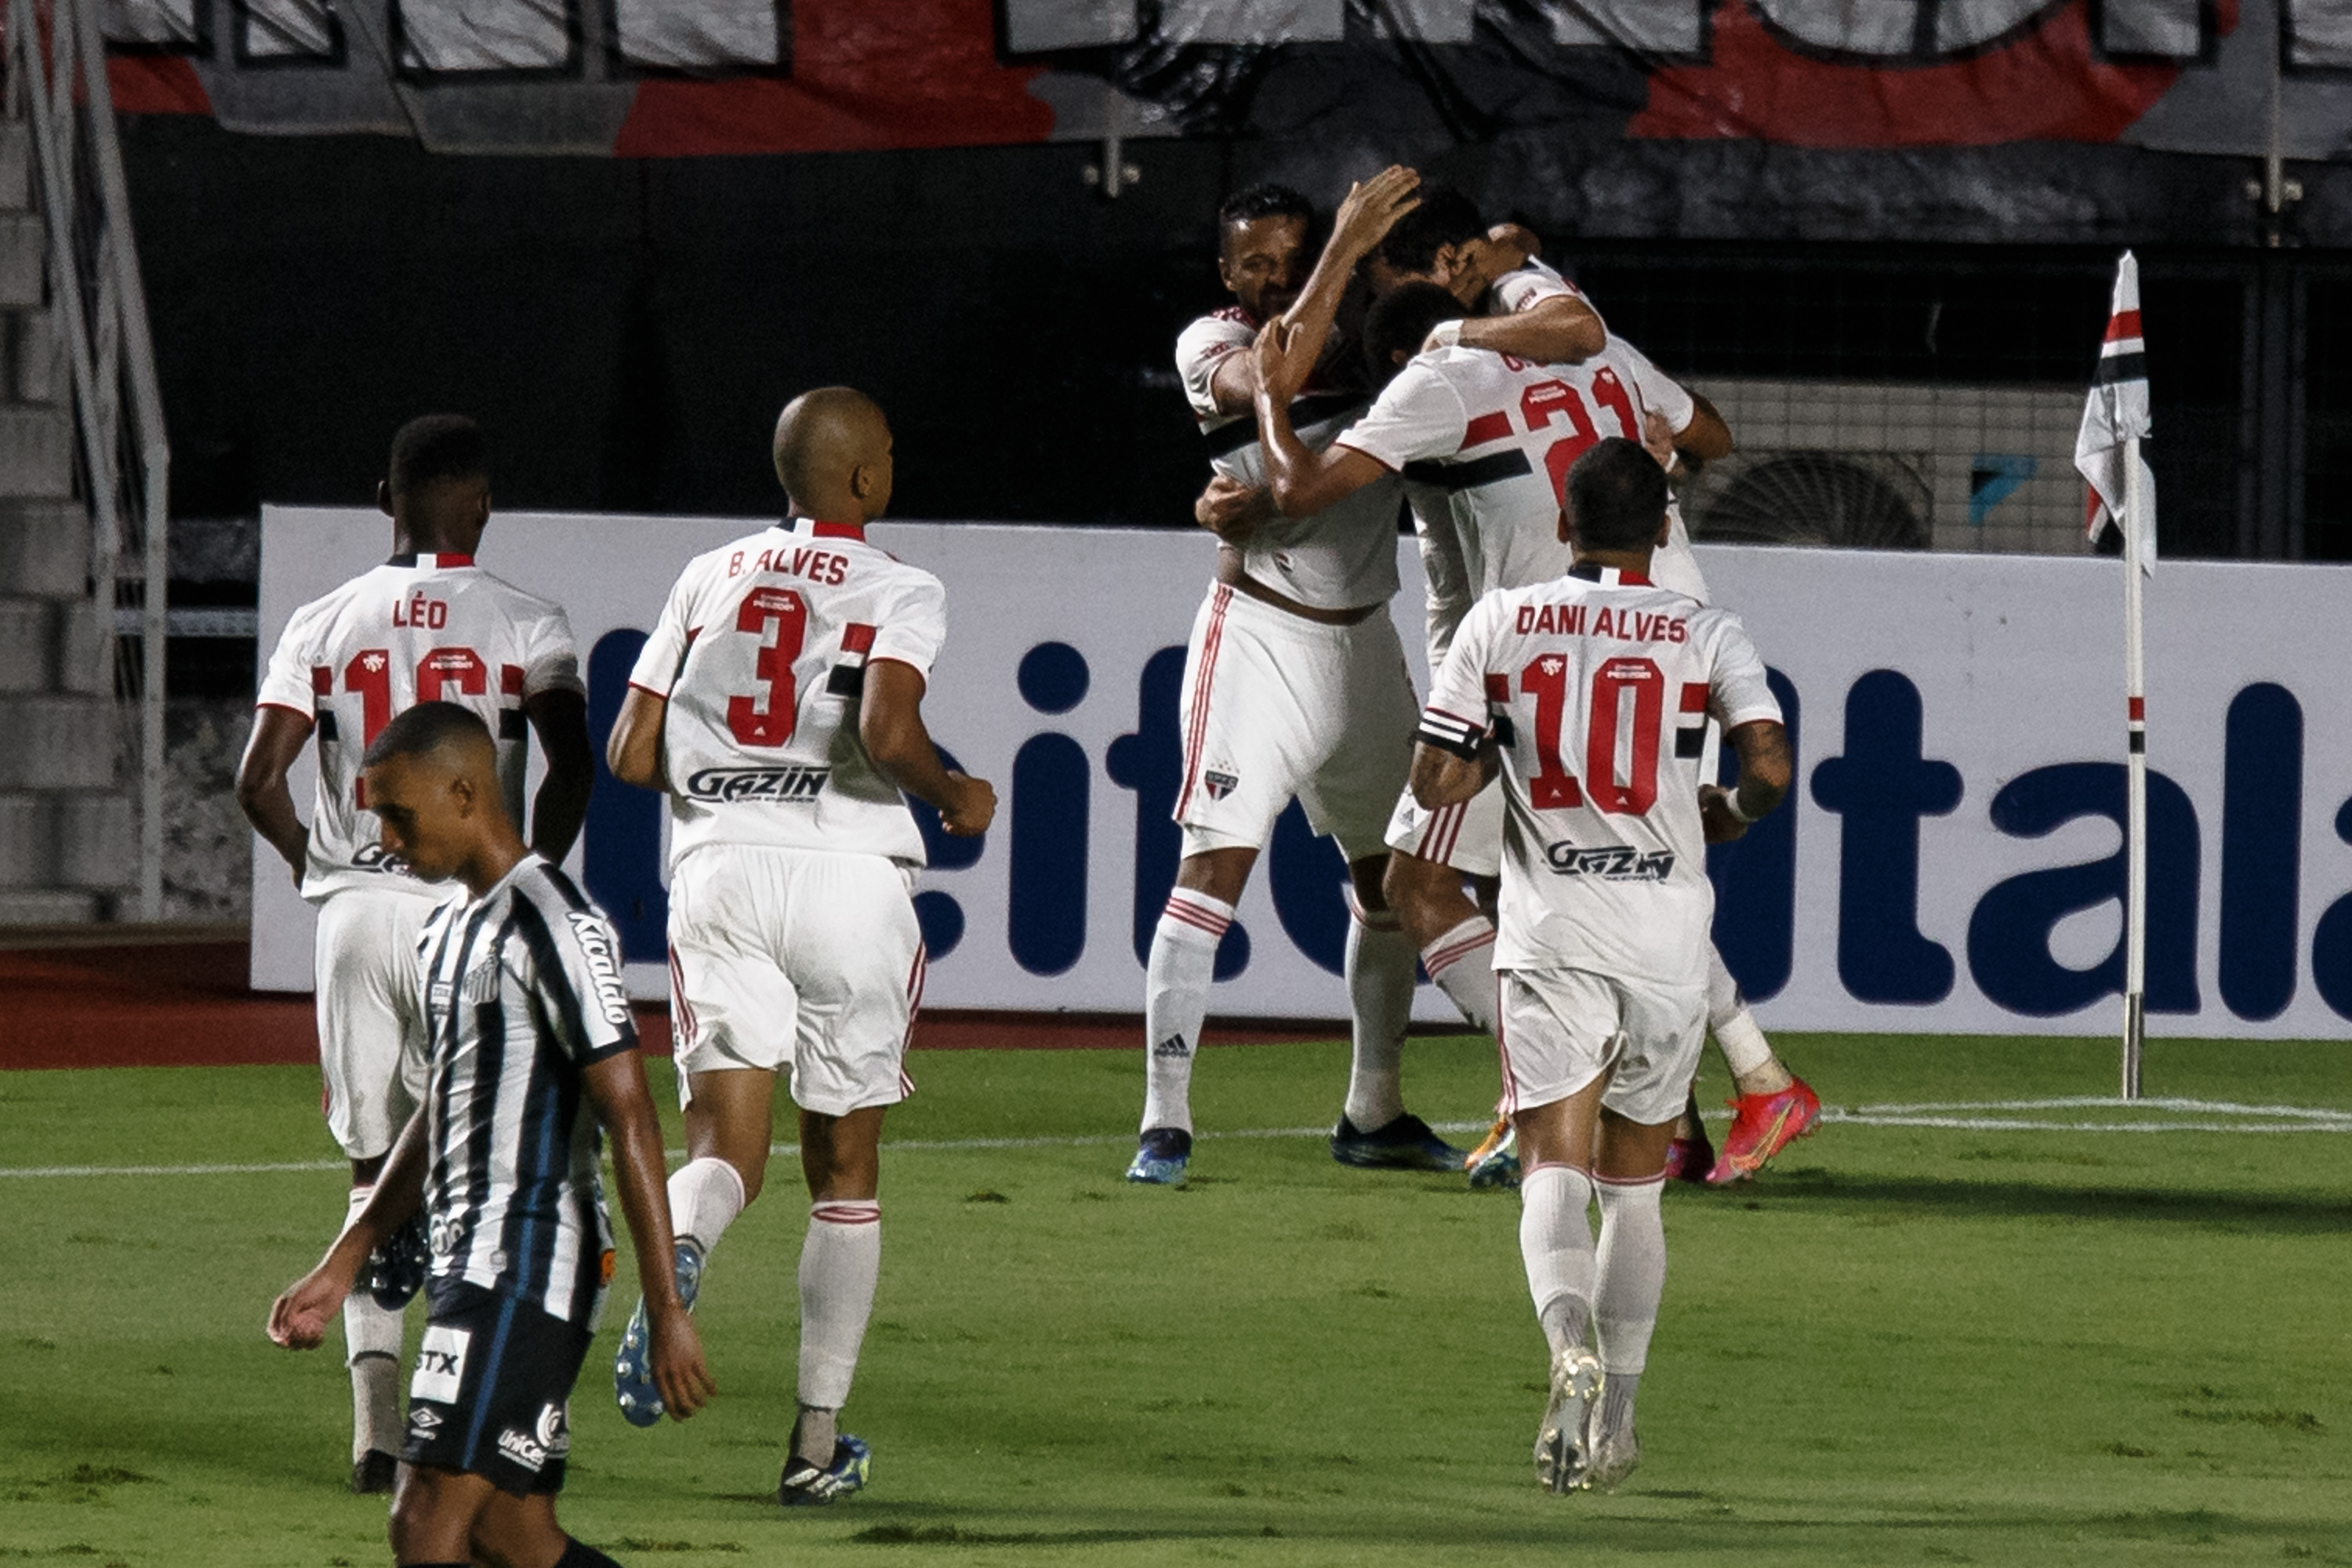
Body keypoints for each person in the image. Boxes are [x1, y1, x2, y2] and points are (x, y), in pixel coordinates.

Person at [602, 387, 995, 1504]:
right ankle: (815, 1445)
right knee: (846, 1171)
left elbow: (632, 754)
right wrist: (953, 790)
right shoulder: (899, 585)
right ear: (866, 479)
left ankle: (678, 1266)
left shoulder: (708, 574)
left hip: (721, 871)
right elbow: (883, 730)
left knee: (726, 1147)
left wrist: (731, 773)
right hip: (848, 883)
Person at [1408, 438, 1791, 1493]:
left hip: (1555, 939)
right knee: (1634, 1197)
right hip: (1667, 943)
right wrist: (1736, 813)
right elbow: (1769, 762)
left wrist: (1491, 748)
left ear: (1565, 527)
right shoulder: (1704, 630)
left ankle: (1565, 1342)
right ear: (1664, 527)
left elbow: (1434, 779)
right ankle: (1617, 1420)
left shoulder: (1500, 621)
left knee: (1551, 1171)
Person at [267, 701, 713, 1568]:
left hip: (528, 1262)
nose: (387, 839)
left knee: (424, 1517)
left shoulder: (557, 920)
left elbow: (632, 1113)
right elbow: (443, 1110)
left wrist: (667, 1308)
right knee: (513, 1533)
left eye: (400, 813)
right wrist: (346, 1254)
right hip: (465, 1261)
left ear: (467, 792)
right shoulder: (448, 928)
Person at [238, 415, 594, 1492]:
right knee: (489, 1164)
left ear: (382, 498)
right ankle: (481, 1413)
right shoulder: (530, 622)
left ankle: (375, 1429)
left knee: (368, 1164)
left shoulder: (322, 619)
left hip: (358, 915)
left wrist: (322, 869)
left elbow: (256, 779)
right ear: (480, 501)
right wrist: (525, 874)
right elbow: (575, 763)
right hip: (465, 912)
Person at [1134, 171, 1464, 1187]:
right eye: (1257, 263)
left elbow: (1359, 450)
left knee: (1391, 887)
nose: (1276, 279)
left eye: (1294, 256)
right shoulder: (1210, 341)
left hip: (1366, 644)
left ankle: (1374, 1111)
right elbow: (1266, 387)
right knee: (1214, 871)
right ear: (1228, 270)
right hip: (1262, 637)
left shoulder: (1378, 339)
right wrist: (1340, 250)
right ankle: (1165, 1122)